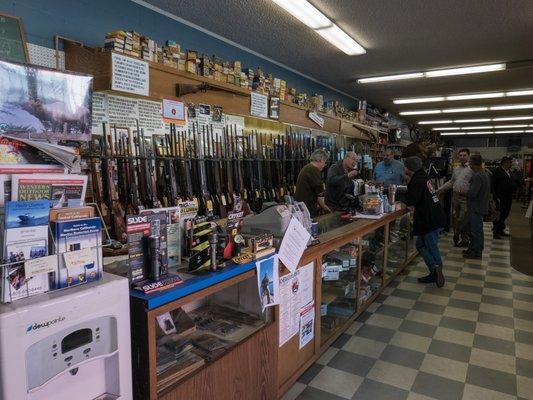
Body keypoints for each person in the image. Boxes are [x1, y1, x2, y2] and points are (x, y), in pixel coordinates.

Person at [404, 156, 445, 288]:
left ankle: (437, 269)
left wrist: (407, 184)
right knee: (420, 245)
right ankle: (434, 269)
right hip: (433, 216)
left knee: (431, 246)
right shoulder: (424, 177)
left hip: (429, 219)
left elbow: (411, 200)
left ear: (409, 168)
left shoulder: (417, 180)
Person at [437, 148, 473, 247]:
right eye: (460, 155)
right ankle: (462, 238)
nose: (462, 157)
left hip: (466, 198)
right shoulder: (456, 169)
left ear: (468, 156)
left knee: (463, 219)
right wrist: (440, 189)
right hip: (455, 197)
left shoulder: (472, 169)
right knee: (456, 218)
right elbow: (451, 182)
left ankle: (460, 236)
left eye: (464, 155)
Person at [464, 154, 491, 259]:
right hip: (480, 206)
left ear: (473, 163)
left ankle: (476, 252)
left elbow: (473, 193)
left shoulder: (478, 176)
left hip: (475, 207)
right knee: (472, 229)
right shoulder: (485, 174)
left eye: (470, 162)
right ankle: (472, 248)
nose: (468, 164)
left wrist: (463, 192)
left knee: (476, 231)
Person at [294, 149, 331, 217]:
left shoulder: (307, 168)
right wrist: (328, 209)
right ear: (320, 160)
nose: (325, 165)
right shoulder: (313, 170)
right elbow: (320, 194)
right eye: (324, 162)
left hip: (302, 208)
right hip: (306, 210)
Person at [492, 156, 516, 239]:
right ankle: (496, 232)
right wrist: (495, 197)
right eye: (510, 163)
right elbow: (493, 185)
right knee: (499, 214)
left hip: (508, 197)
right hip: (500, 197)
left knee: (505, 213)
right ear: (505, 163)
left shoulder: (508, 171)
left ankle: (501, 229)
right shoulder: (497, 171)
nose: (511, 164)